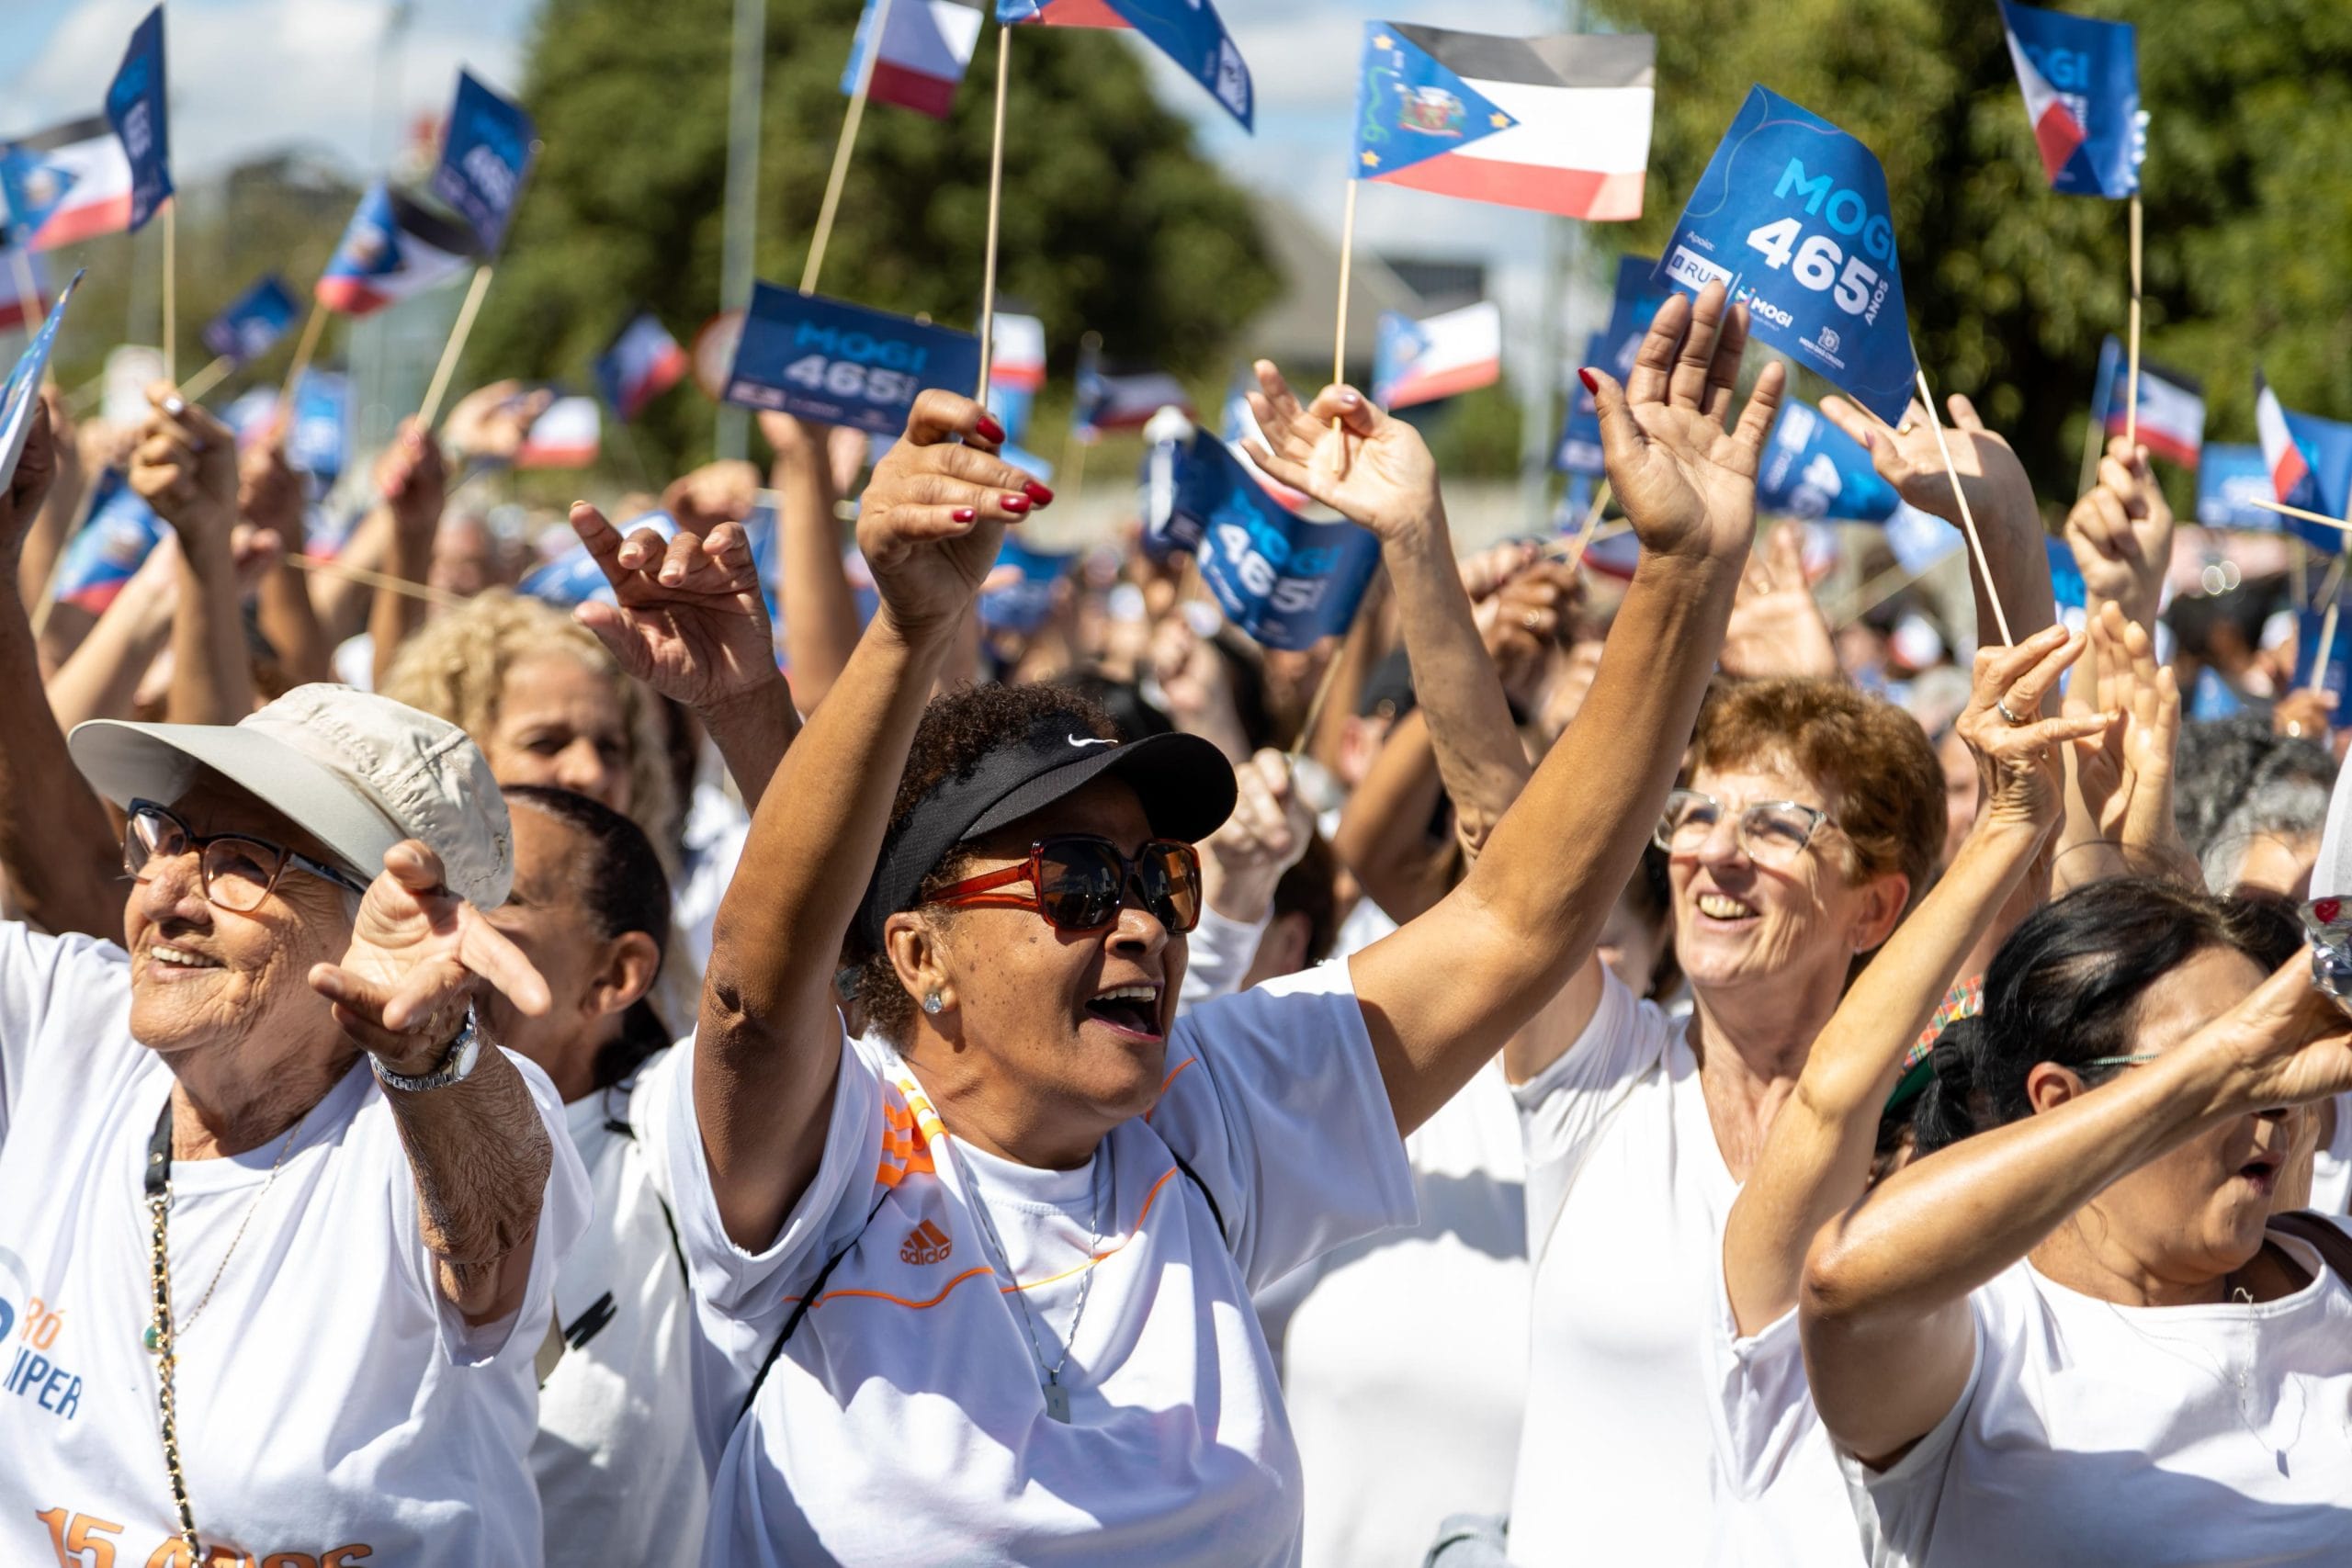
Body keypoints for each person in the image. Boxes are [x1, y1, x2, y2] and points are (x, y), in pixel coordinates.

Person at [667, 282, 1786, 1563]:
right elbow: (757, 994)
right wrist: (911, 632)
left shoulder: (1204, 1119)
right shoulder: (825, 1155)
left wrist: (1685, 574)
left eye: (1163, 881)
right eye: (1079, 882)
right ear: (920, 955)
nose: (1143, 923)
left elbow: (1518, 922)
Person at [1502, 670, 1947, 1564]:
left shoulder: (1933, 1139)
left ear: (1873, 908)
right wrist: (1415, 551)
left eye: (1778, 825)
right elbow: (1501, 837)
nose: (1718, 852)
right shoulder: (1602, 1073)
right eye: (1697, 813)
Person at [1800, 878, 2352, 1564]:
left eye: (2278, 1066)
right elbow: (1841, 1282)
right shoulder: (1988, 1335)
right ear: (2059, 1102)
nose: (2273, 1099)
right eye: (2229, 1067)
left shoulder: (2333, 1268)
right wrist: (2222, 1067)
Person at [1709, 625, 2109, 1565]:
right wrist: (2007, 824)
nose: (1952, 1196)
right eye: (1912, 1147)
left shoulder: (2030, 1321)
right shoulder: (1778, 1290)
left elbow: (2093, 989)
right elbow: (1827, 1102)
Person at [482, 784, 706, 1568]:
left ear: (615, 976)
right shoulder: (334, 1120)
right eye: (438, 890)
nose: (443, 928)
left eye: (493, 895)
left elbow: (779, 1002)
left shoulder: (679, 1140)